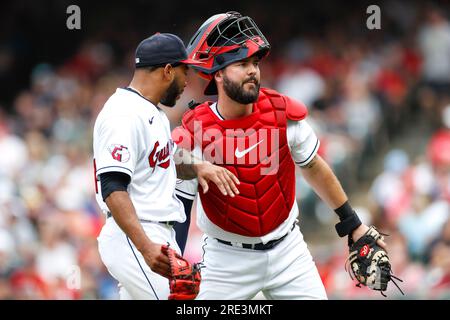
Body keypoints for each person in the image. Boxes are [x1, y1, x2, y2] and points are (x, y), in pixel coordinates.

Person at [173, 12, 387, 299]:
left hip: (288, 251)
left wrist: (352, 223)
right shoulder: (196, 130)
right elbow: (180, 189)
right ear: (218, 74)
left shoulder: (281, 114)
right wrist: (174, 259)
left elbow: (313, 166)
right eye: (241, 64)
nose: (252, 71)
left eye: (255, 63)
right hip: (226, 261)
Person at [93, 33, 239, 300]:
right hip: (137, 234)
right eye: (185, 72)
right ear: (168, 70)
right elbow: (113, 188)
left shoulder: (153, 113)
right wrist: (146, 247)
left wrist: (199, 167)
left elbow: (167, 159)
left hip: (154, 232)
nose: (188, 82)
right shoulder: (122, 114)